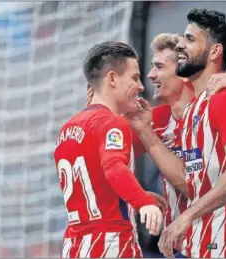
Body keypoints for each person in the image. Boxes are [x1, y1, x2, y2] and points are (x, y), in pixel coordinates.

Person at [128, 9, 226, 258]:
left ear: (215, 51)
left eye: (190, 39)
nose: (181, 46)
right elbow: (190, 183)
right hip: (197, 245)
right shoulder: (194, 111)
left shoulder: (225, 98)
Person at [54, 41, 163, 258]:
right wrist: (144, 203)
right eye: (134, 77)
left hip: (74, 247)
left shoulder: (66, 130)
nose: (141, 86)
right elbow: (114, 169)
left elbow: (95, 185)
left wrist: (134, 196)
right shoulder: (112, 123)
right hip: (111, 244)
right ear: (112, 79)